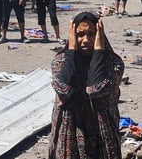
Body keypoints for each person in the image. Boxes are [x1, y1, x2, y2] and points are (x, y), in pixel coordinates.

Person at [49, 12, 125, 159]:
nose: (85, 40)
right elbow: (62, 88)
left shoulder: (113, 64)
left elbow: (95, 89)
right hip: (70, 129)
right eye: (79, 35)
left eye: (92, 34)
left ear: (100, 35)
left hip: (102, 133)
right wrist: (71, 50)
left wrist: (98, 51)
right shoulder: (60, 62)